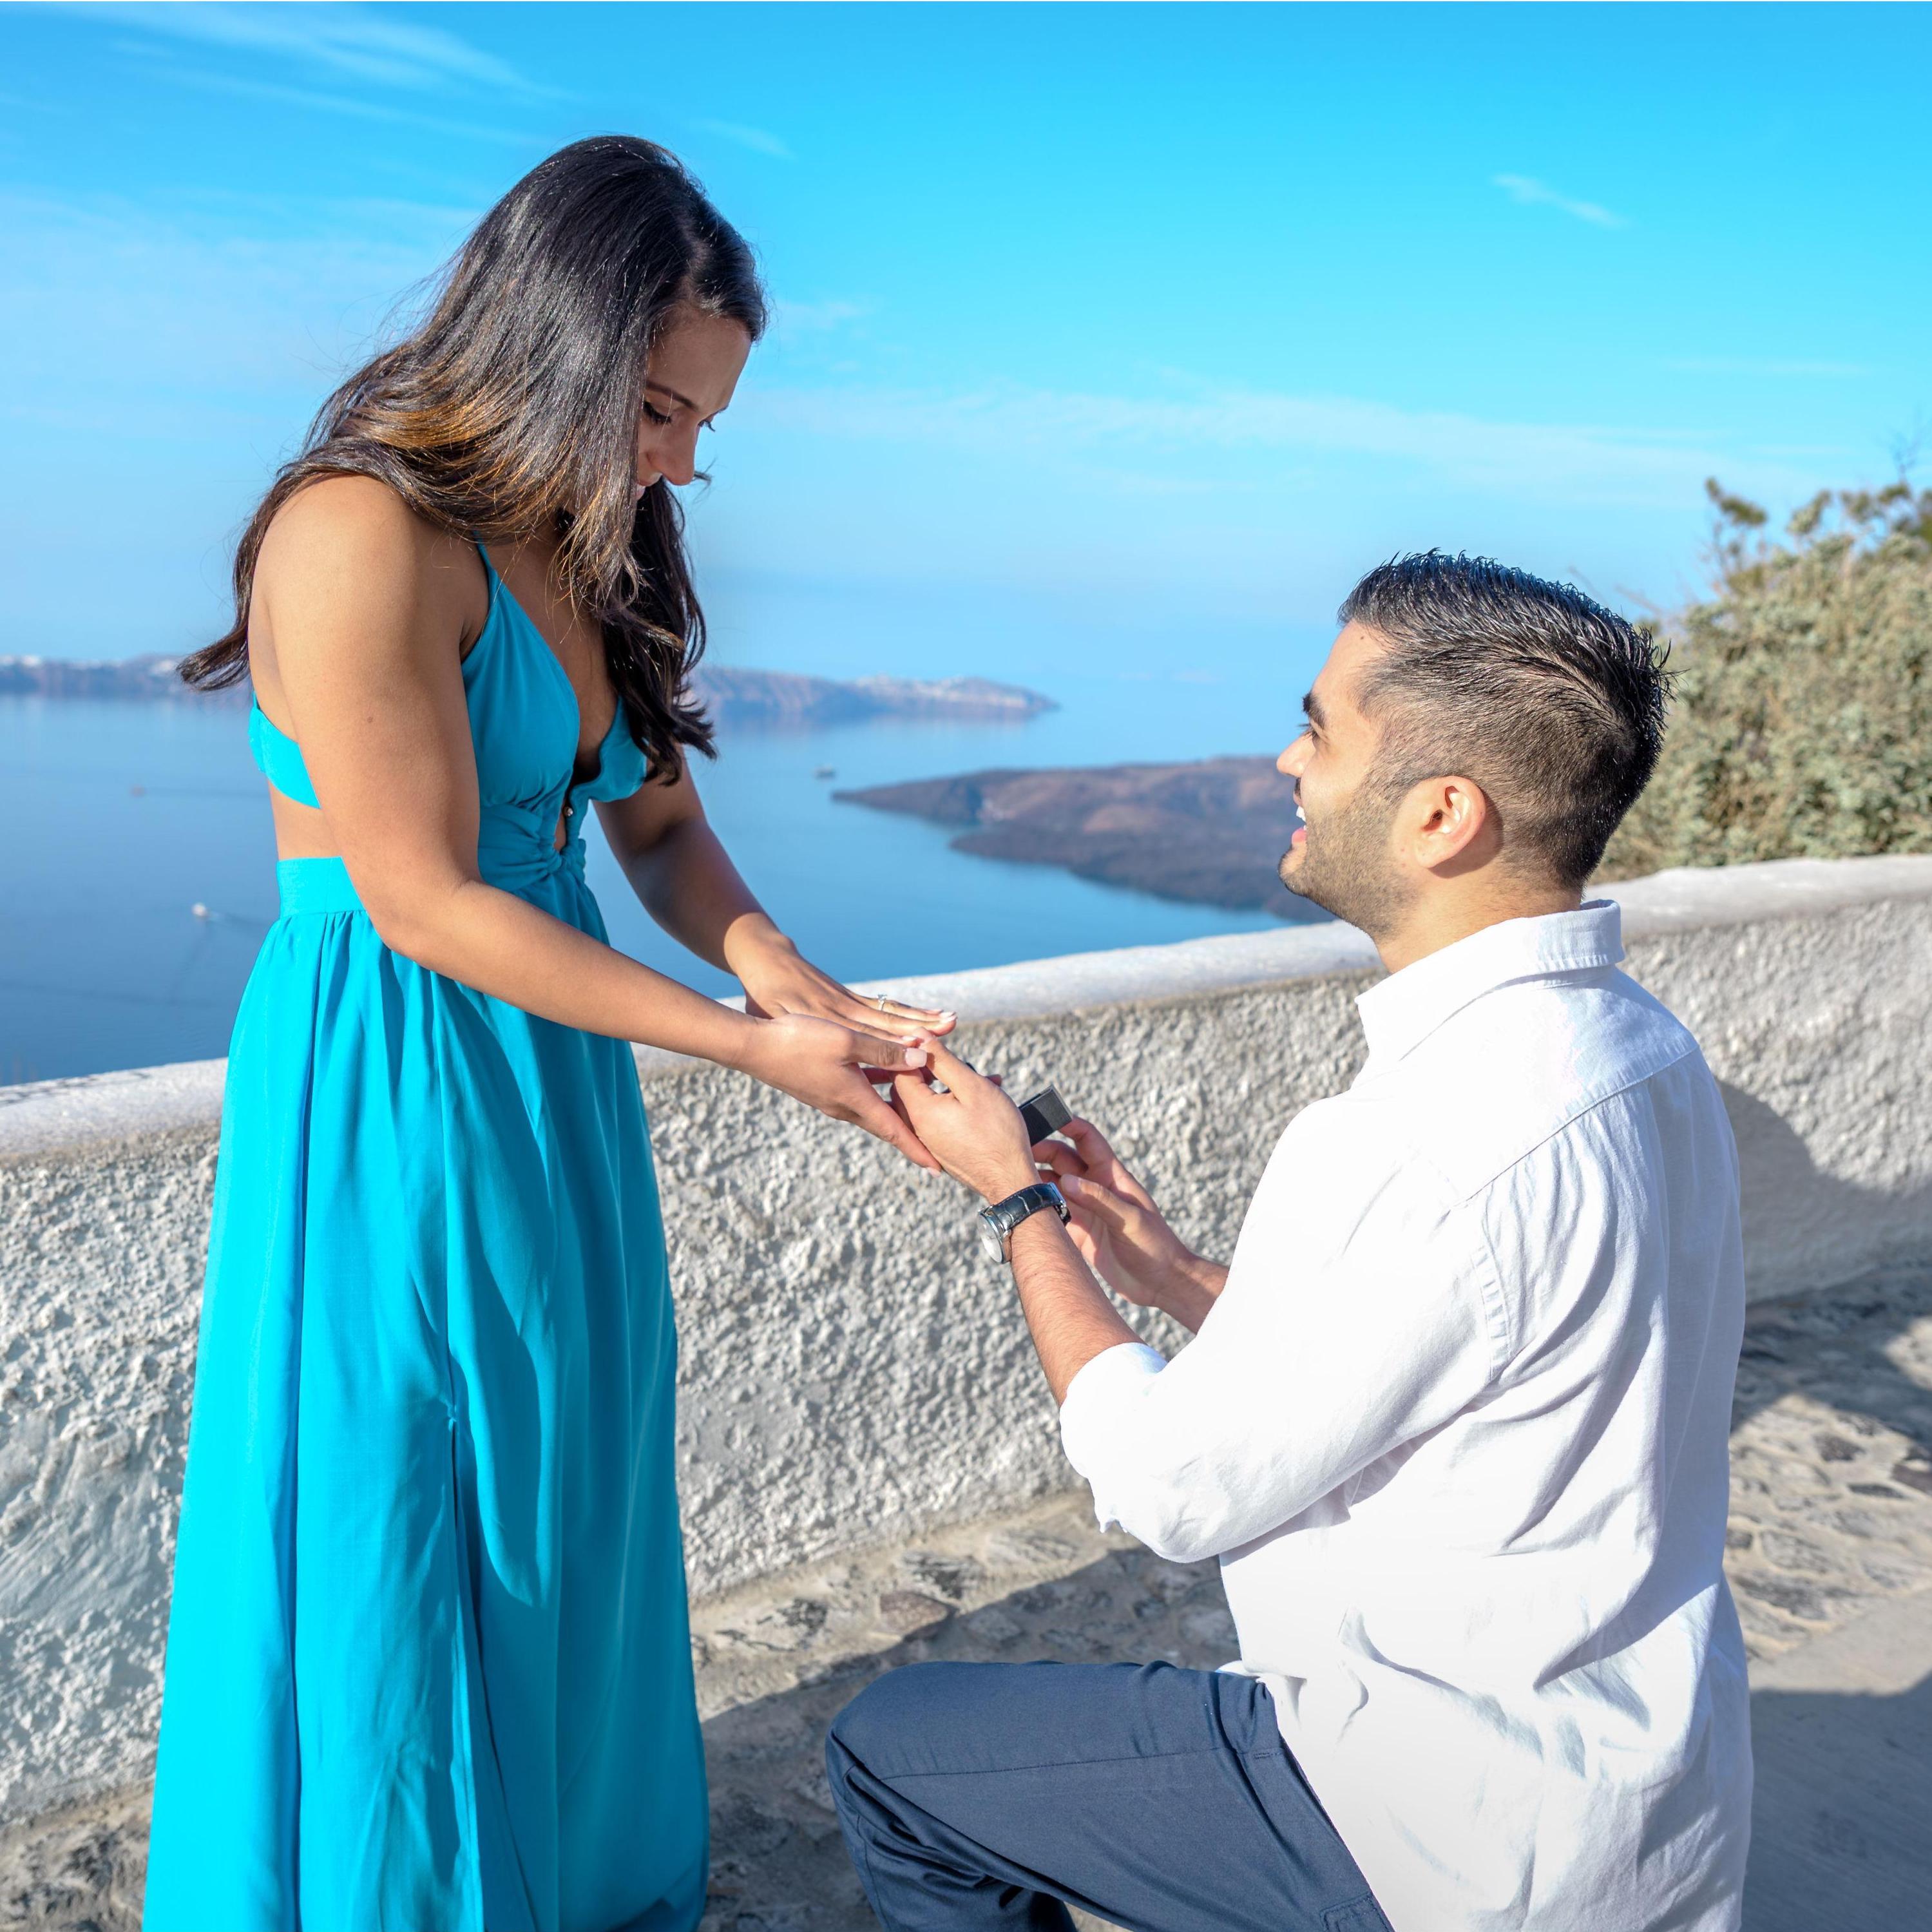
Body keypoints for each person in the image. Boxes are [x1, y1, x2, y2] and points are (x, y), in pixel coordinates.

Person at [143, 137, 950, 1932]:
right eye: (659, 407)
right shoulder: (358, 530)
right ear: (560, 346)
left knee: (568, 1463)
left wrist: (807, 992)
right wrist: (746, 1050)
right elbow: (422, 896)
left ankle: (561, 1879)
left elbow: (654, 830)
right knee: (415, 1489)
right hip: (399, 1063)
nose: (677, 458)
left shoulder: (589, 537)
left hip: (550, 1064)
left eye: (697, 426)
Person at [828, 553, 1751, 1932]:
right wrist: (1172, 1274)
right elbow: (1463, 1348)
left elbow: (1173, 1492)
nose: (1285, 759)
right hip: (1640, 1807)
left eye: (1318, 726)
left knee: (894, 1757)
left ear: (1444, 814)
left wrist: (1017, 1206)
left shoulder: (1410, 1136)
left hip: (1446, 1833)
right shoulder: (1643, 1050)